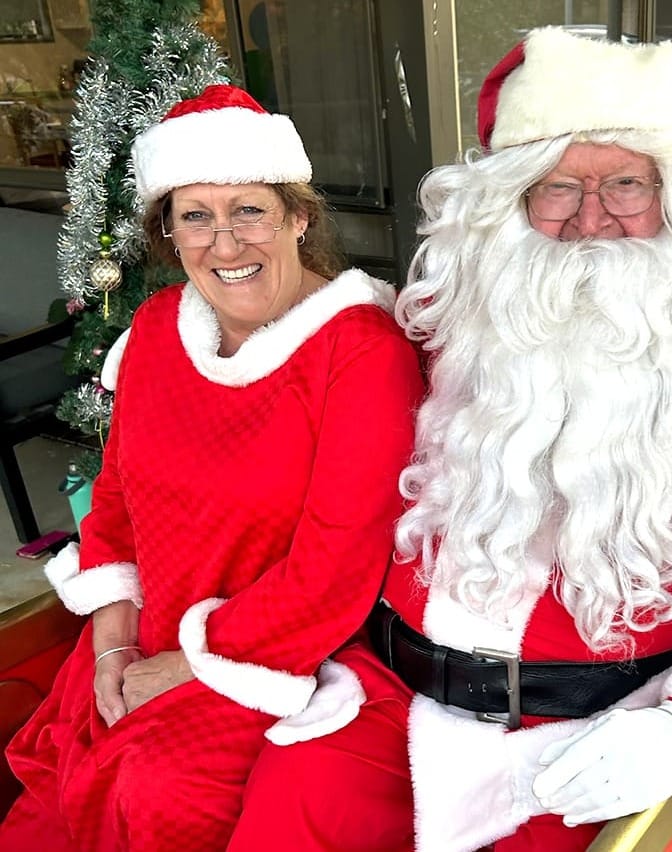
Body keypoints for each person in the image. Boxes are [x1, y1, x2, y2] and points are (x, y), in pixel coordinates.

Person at [229, 28, 672, 852]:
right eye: (556, 187)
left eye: (626, 185)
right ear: (507, 205)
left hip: (600, 736)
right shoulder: (431, 338)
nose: (591, 218)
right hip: (384, 703)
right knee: (282, 825)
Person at [0, 84, 423, 850]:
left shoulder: (360, 353)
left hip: (281, 659)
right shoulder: (161, 326)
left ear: (298, 216)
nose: (225, 245)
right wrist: (113, 640)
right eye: (196, 216)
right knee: (59, 784)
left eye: (249, 211)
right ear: (169, 232)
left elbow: (333, 570)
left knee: (156, 792)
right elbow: (118, 496)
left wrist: (192, 661)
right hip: (144, 639)